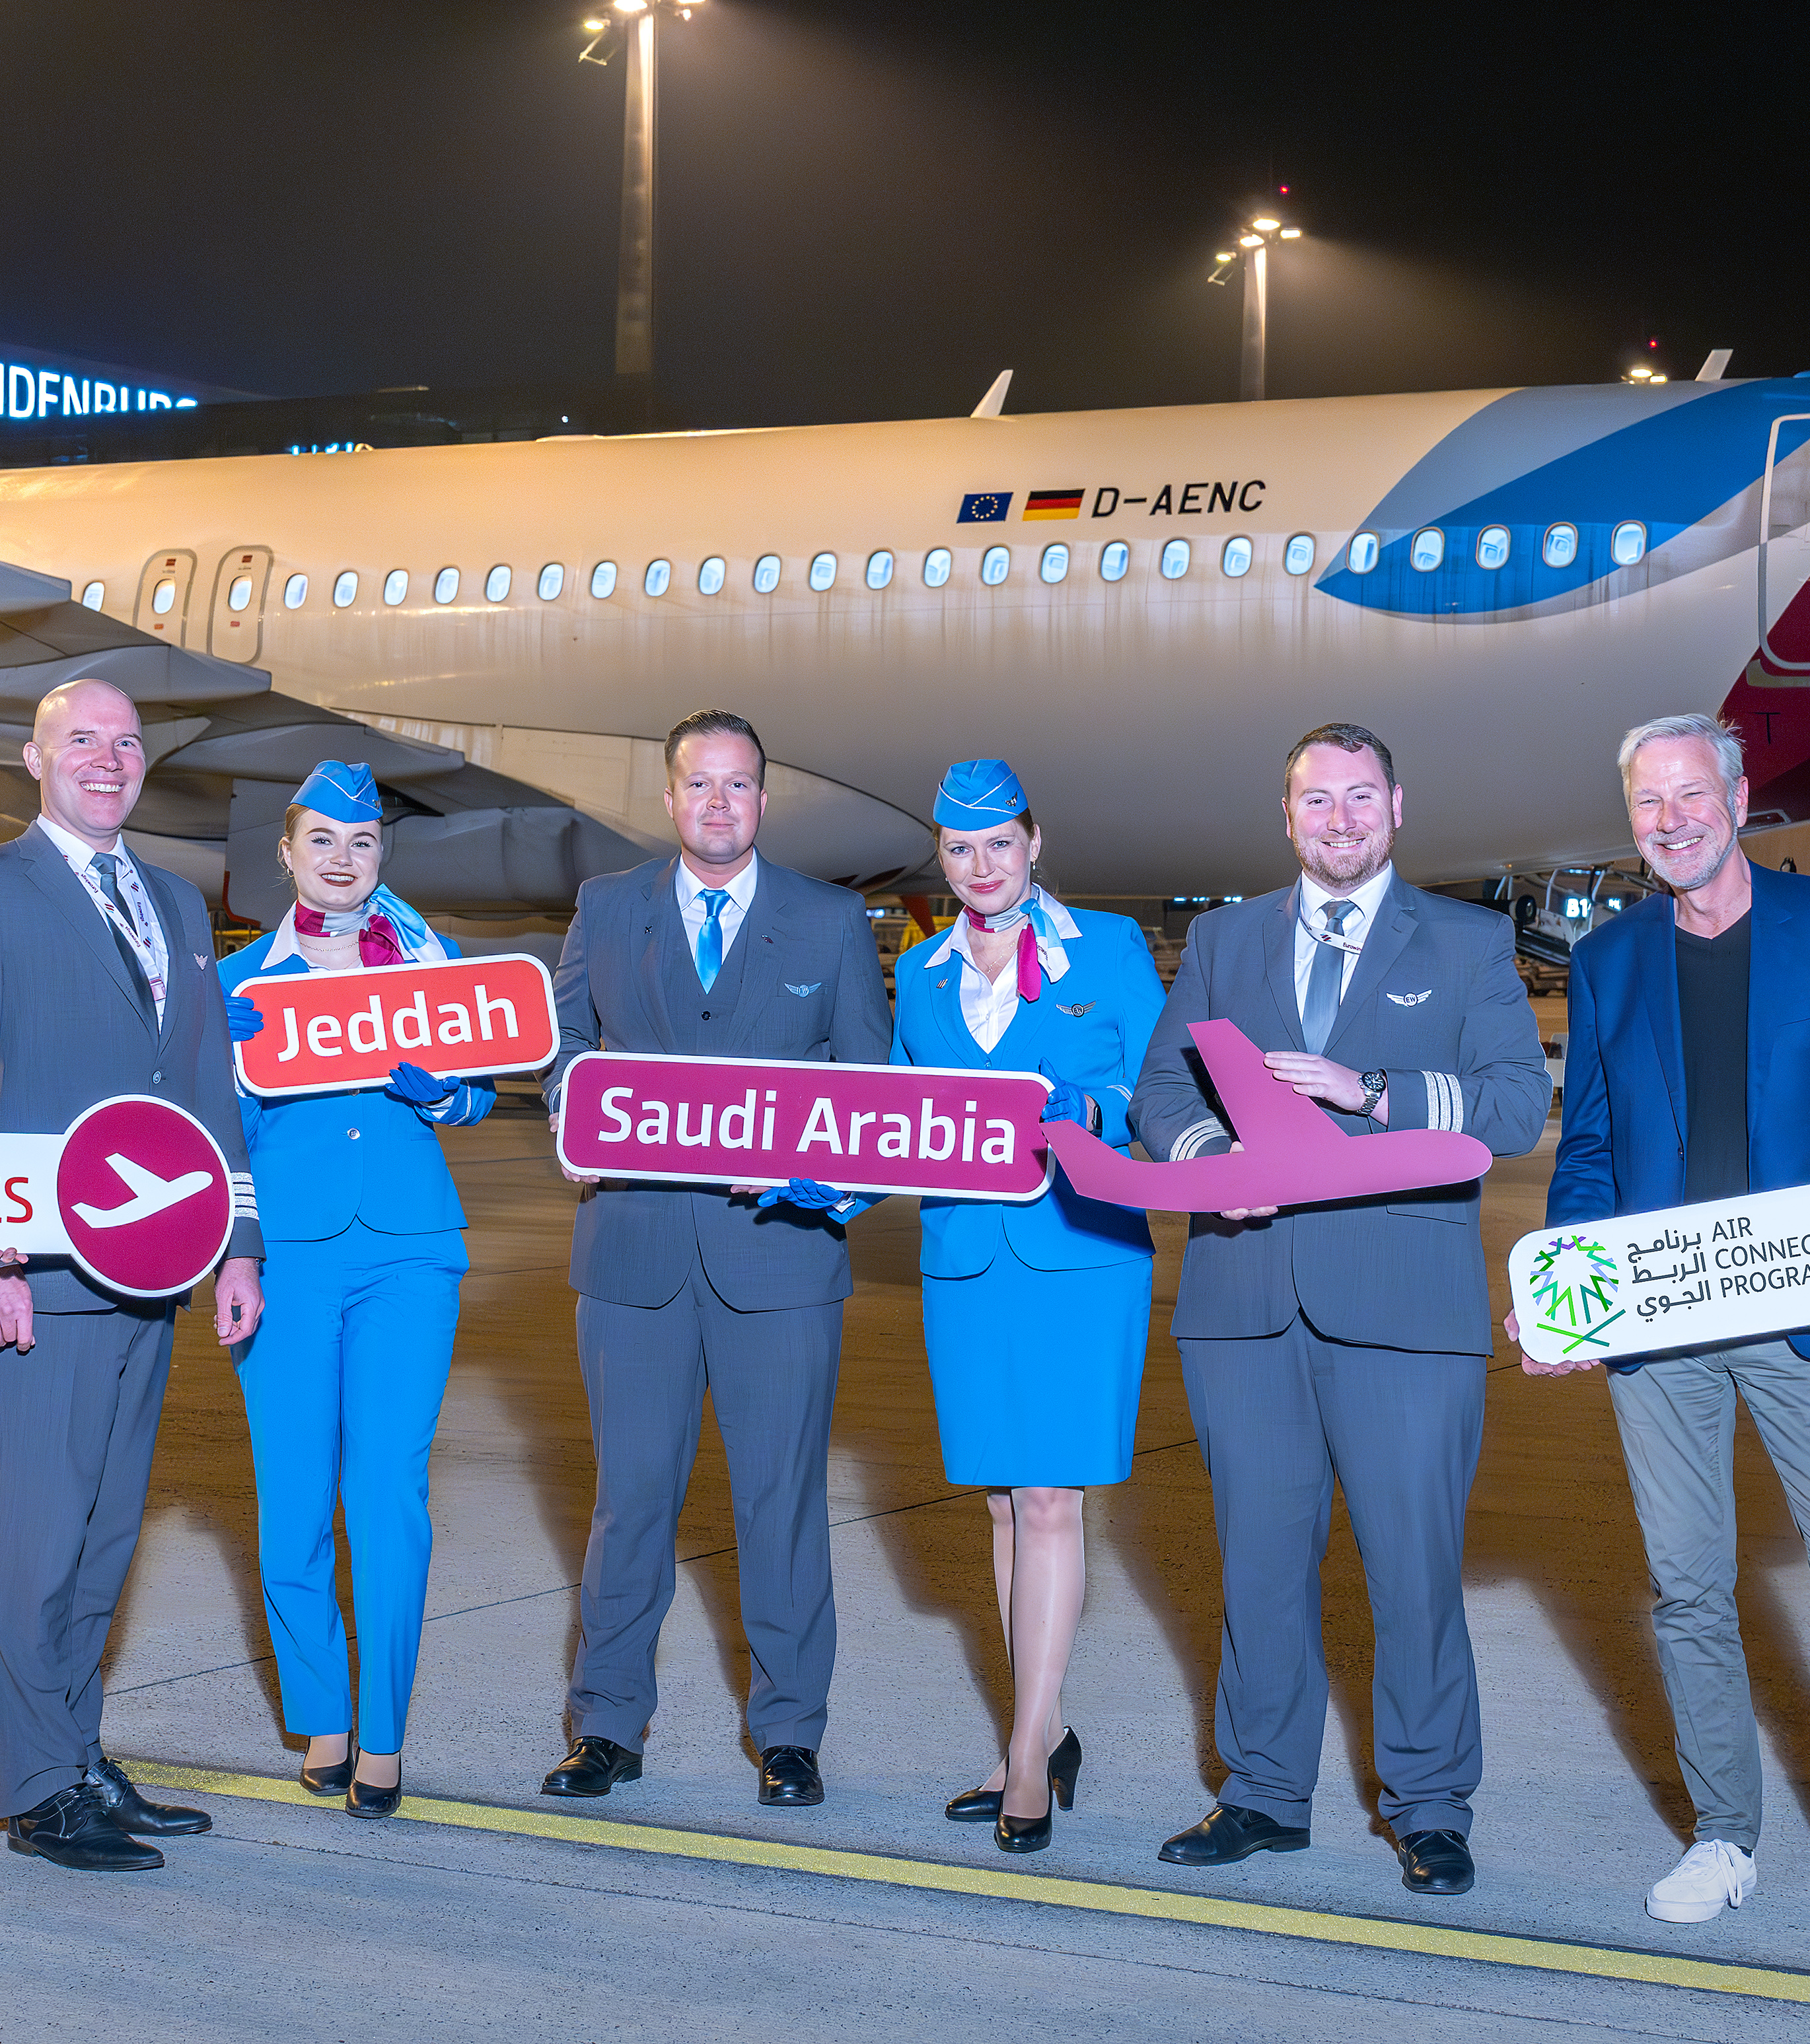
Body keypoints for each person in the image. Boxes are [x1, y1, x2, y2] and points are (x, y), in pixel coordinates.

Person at [1528, 714, 1810, 1967]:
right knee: (1687, 1593)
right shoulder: (1608, 962)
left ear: (1739, 796)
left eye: (1689, 795)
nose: (1670, 820)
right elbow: (1593, 1150)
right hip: (1662, 1326)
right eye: (1647, 805)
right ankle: (1724, 1835)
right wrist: (1568, 1292)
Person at [1130, 722, 1547, 1898]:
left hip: (1406, 1317)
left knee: (1413, 1569)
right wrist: (1212, 1146)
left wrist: (1370, 1093)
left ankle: (1429, 1805)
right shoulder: (1223, 939)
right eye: (1319, 800)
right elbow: (1163, 1086)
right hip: (1245, 1305)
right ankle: (1263, 1793)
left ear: (1399, 809)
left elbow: (1516, 1105)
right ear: (1288, 815)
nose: (1342, 819)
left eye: (1362, 798)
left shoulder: (1464, 943)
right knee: (1259, 1563)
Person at [0, 676, 265, 1873]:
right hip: (44, 1268)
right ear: (35, 758)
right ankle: (33, 1787)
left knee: (107, 1533)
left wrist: (238, 1241)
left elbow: (208, 1089)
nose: (109, 761)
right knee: (39, 1537)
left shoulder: (172, 898)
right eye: (84, 742)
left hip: (155, 1264)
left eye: (126, 743)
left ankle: (75, 1752)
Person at [539, 709, 893, 1808]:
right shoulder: (604, 910)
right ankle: (606, 1725)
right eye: (701, 784)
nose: (720, 804)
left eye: (739, 786)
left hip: (779, 1260)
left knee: (780, 1502)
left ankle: (789, 1733)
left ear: (764, 803)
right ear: (670, 797)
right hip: (635, 1254)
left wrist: (833, 1179)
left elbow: (870, 1092)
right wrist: (573, 1119)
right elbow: (564, 1052)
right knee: (630, 1500)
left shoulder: (831, 922)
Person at [884, 758, 1167, 1854]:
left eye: (1000, 844)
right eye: (960, 849)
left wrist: (1090, 1105)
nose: (982, 866)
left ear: (1035, 843)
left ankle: (1024, 1766)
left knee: (1051, 1500)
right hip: (966, 1261)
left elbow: (1156, 1093)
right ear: (943, 858)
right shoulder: (919, 974)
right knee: (1002, 1506)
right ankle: (1043, 1728)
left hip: (1079, 1257)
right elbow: (897, 1116)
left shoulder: (1109, 949)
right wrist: (822, 1170)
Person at [215, 759, 491, 1812]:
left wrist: (448, 1095)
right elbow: (213, 1147)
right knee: (292, 1506)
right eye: (321, 840)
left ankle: (383, 1736)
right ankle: (322, 1713)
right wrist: (235, 1252)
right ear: (285, 855)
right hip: (286, 1259)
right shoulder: (239, 985)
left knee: (387, 1497)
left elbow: (472, 1105)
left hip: (410, 1253)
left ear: (384, 856)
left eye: (363, 842)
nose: (343, 859)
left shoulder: (430, 965)